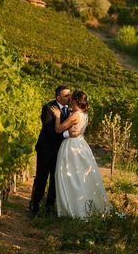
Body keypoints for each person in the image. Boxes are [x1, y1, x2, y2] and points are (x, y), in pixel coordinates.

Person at [50, 90, 112, 218]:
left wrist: (57, 115)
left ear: (75, 100)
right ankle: (86, 205)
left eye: (71, 98)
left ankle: (73, 208)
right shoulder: (84, 114)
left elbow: (58, 129)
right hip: (81, 144)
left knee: (69, 175)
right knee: (80, 175)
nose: (69, 100)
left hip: (71, 146)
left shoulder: (75, 115)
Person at [30, 85, 71, 215]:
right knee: (41, 178)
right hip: (46, 150)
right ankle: (35, 206)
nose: (69, 97)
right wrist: (67, 133)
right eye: (66, 96)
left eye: (70, 95)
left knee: (55, 179)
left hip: (60, 150)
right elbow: (50, 131)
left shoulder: (70, 110)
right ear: (58, 97)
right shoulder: (48, 108)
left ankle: (49, 207)